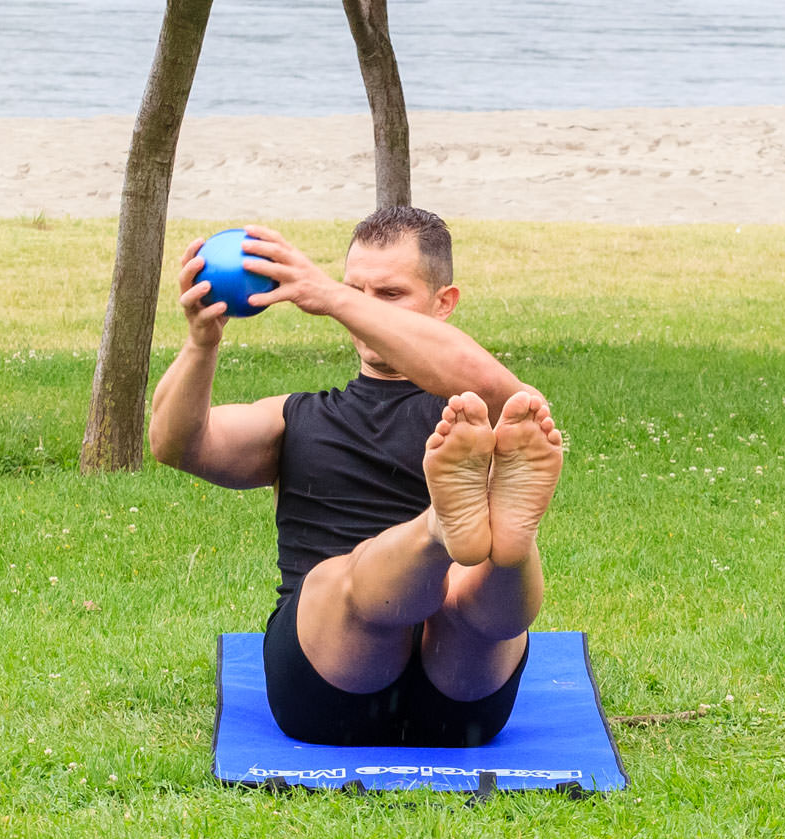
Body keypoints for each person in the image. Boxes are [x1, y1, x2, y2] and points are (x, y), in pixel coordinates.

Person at [149, 207, 563, 747]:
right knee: (345, 578)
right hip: (330, 678)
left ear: (445, 303)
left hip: (458, 686)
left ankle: (506, 546)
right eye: (355, 291)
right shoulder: (294, 417)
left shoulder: (473, 414)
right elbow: (176, 443)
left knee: (469, 597)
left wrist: (333, 296)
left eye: (389, 294)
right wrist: (202, 344)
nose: (363, 310)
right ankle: (444, 530)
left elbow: (511, 396)